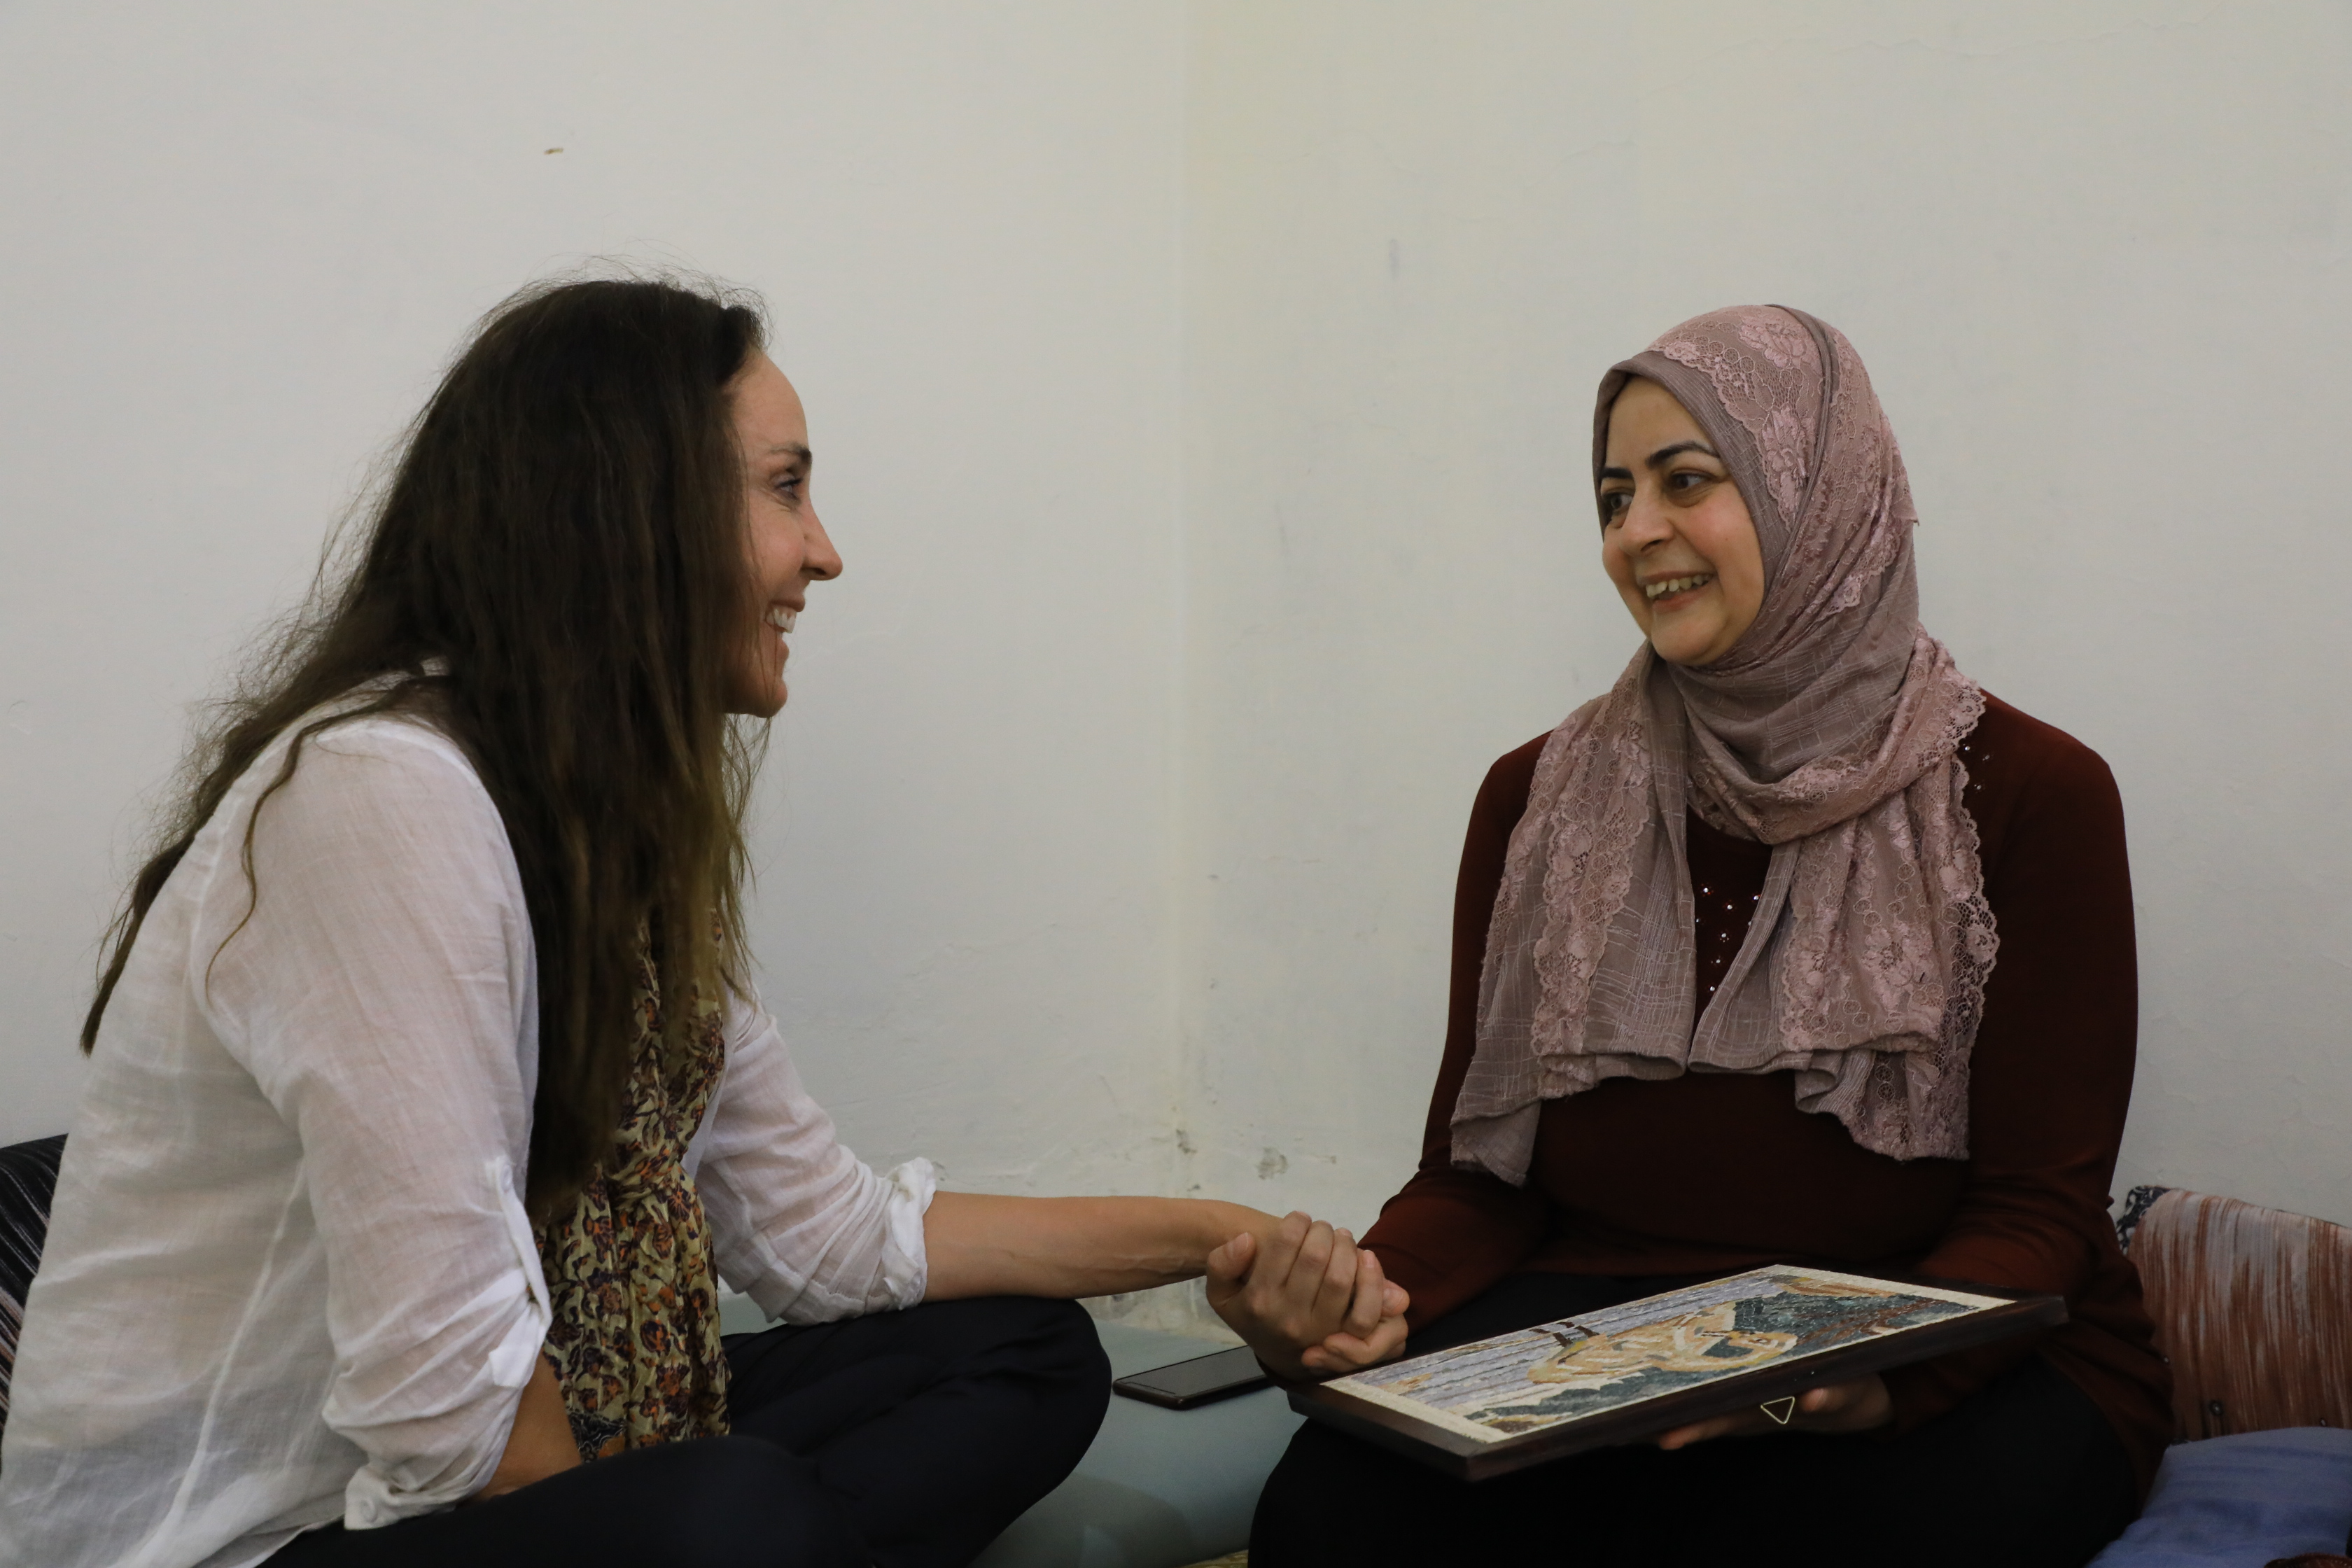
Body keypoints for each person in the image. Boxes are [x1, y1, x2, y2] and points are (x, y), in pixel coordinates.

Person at [0, 276, 1404, 1568]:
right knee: (723, 1517)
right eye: (786, 490)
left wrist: (1229, 1232)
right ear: (632, 515)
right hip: (256, 1536)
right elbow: (451, 1414)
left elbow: (828, 1238)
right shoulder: (380, 794)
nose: (825, 553)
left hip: (519, 1465)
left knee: (1026, 1355)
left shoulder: (614, 826)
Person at [1242, 306, 2172, 1567]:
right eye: (1614, 497)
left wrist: (1871, 1371)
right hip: (1612, 1343)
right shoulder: (1537, 798)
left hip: (1954, 1344)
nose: (1637, 534)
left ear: (1820, 495)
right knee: (1330, 1513)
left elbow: (2035, 1208)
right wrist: (1360, 1296)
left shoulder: (2027, 792)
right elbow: (1480, 1180)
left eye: (1688, 482)